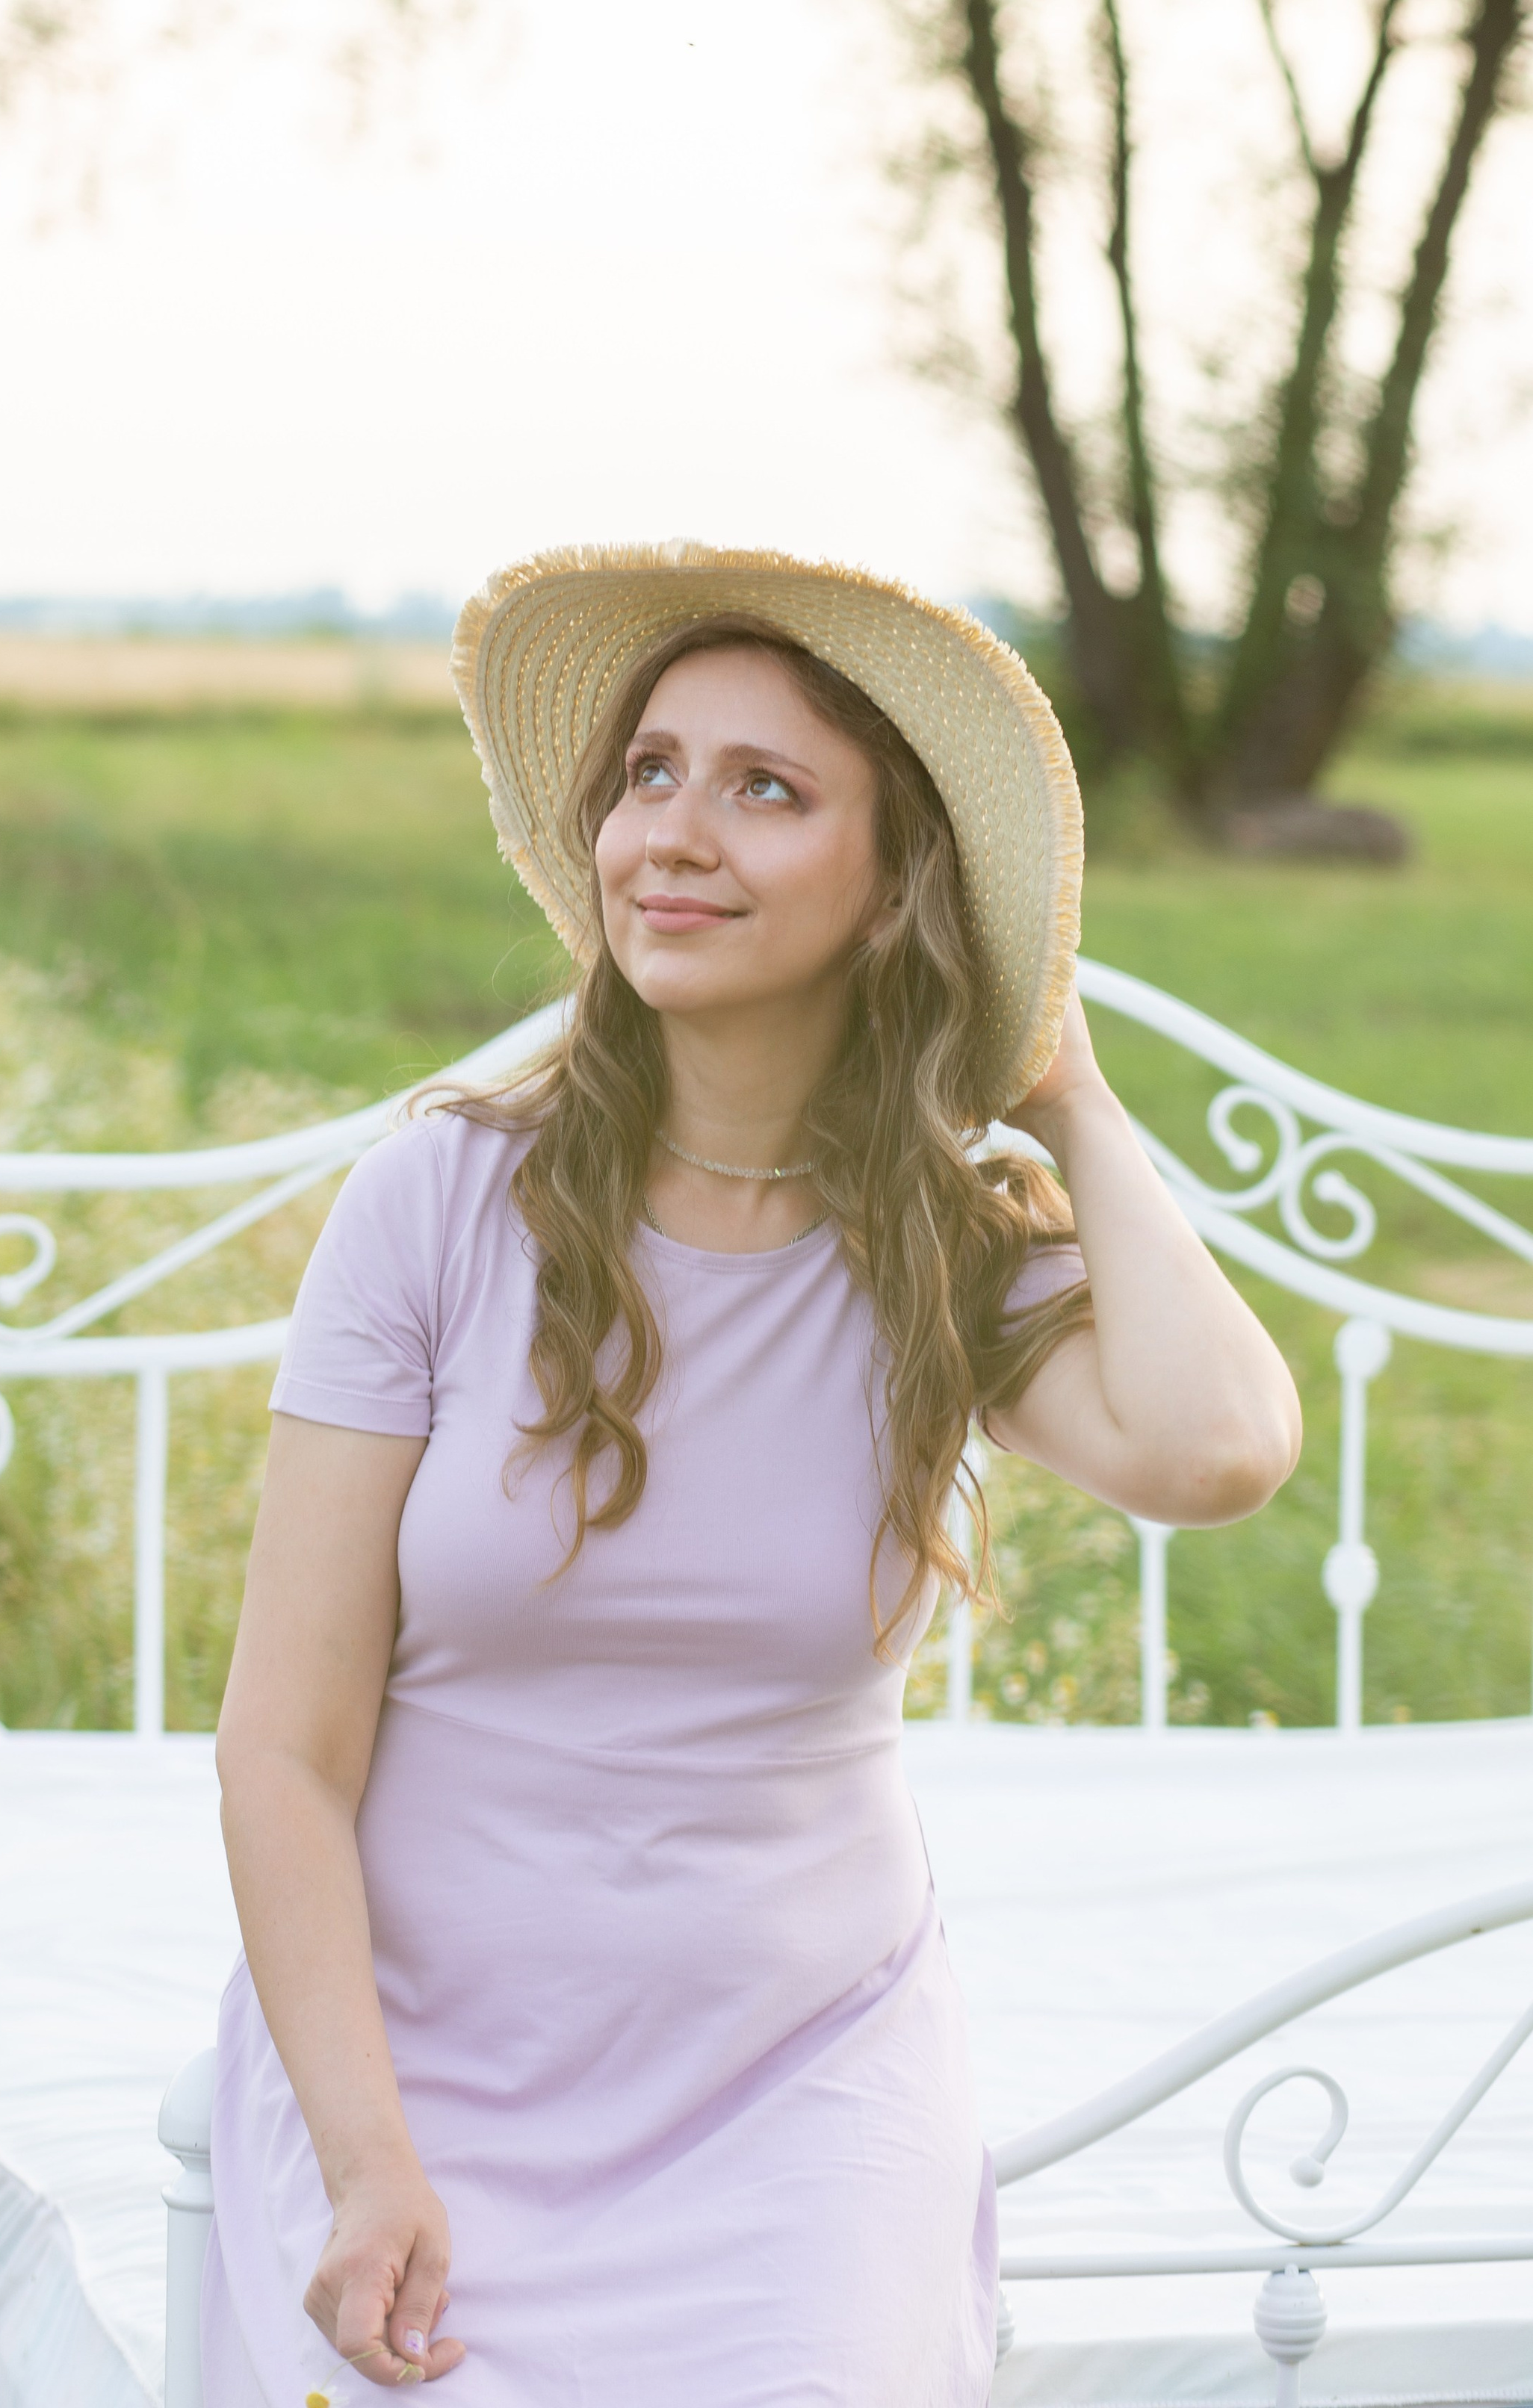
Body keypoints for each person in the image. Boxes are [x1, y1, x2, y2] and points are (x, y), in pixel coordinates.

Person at [202, 544, 1300, 2407]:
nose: (672, 833)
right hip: (419, 2078)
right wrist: (363, 2155)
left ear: (891, 892)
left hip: (796, 2091)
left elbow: (1216, 1451)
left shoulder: (944, 1254)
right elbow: (284, 1749)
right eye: (649, 772)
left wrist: (1067, 1099)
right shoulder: (438, 1206)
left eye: (764, 789)